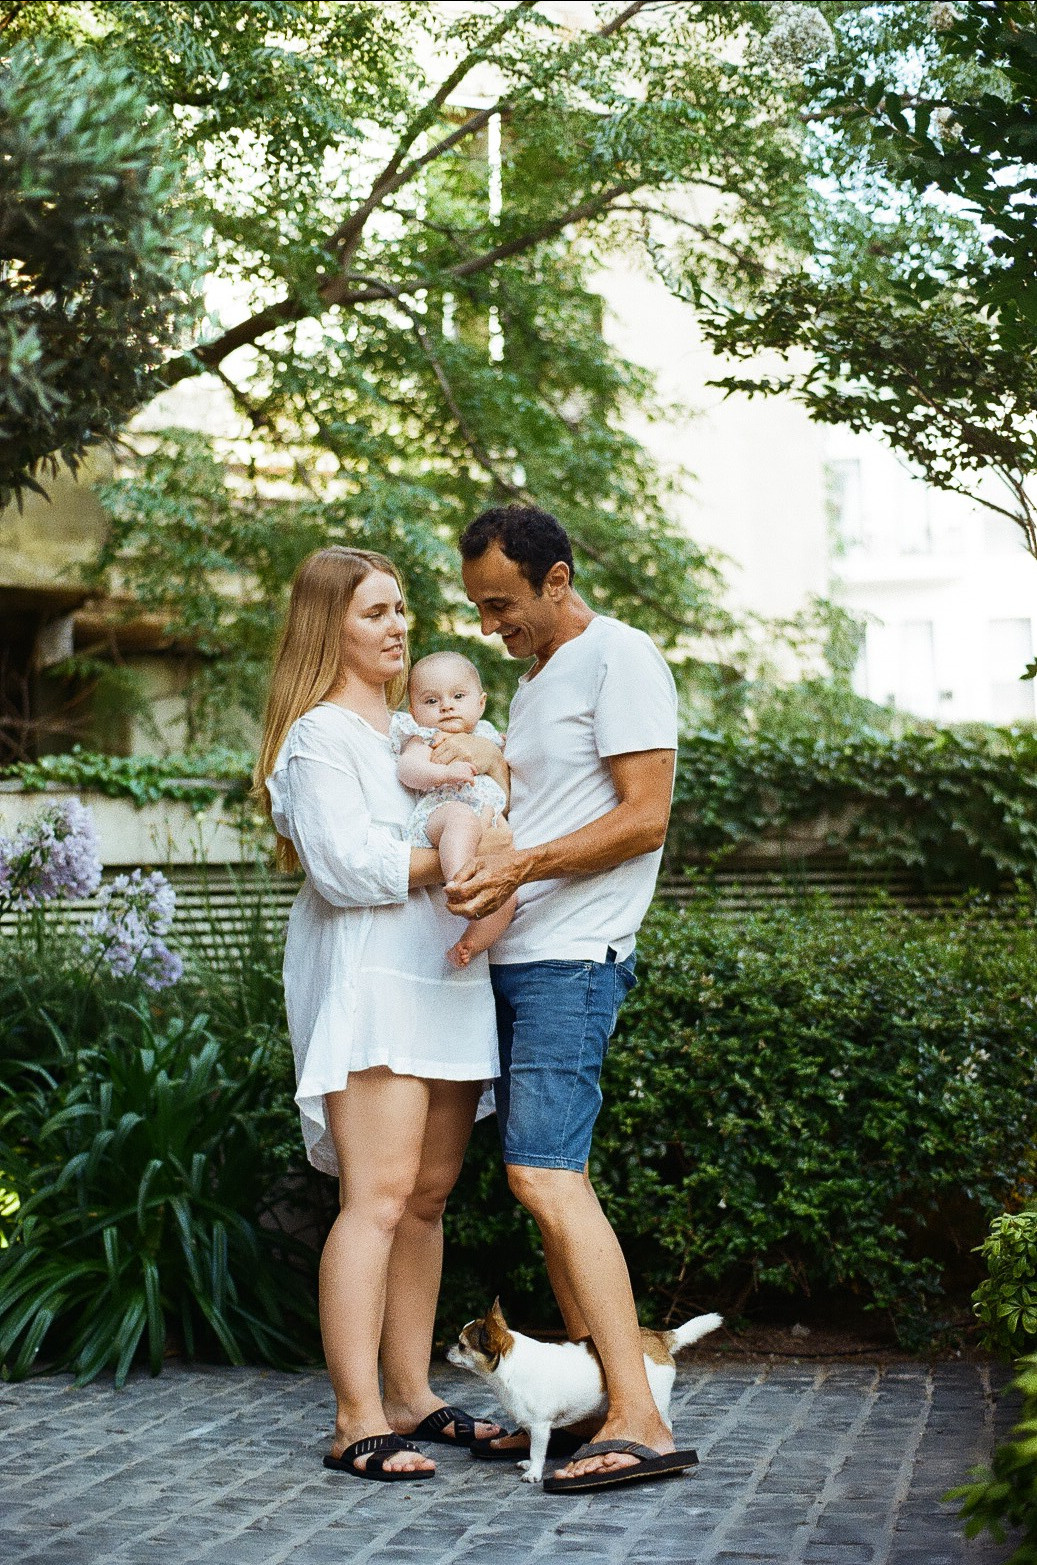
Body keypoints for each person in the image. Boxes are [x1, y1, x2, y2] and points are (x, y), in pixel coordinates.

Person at [438, 505, 691, 1493]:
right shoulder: (535, 681)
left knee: (548, 1175)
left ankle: (639, 1415)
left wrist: (517, 867)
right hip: (517, 956)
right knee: (532, 1187)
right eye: (479, 609)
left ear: (555, 578)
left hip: (572, 956)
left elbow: (644, 817)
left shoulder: (617, 658)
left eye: (502, 605)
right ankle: (594, 1403)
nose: (492, 627)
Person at [253, 546, 505, 1483]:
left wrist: (481, 816)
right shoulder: (319, 737)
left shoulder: (421, 729)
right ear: (331, 627)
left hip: (444, 979)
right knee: (377, 1198)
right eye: (374, 613)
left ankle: (412, 1395)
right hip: (370, 985)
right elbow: (348, 869)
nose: (398, 627)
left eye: (401, 609)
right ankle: (355, 1415)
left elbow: (492, 790)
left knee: (428, 1200)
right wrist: (462, 855)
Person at [391, 650, 516, 968]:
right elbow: (409, 769)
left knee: (509, 892)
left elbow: (510, 784)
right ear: (414, 710)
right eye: (431, 701)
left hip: (487, 829)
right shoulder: (426, 737)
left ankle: (471, 943)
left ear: (481, 702)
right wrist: (444, 773)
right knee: (462, 819)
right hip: (442, 814)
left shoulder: (489, 737)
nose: (446, 706)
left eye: (458, 696)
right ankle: (461, 883)